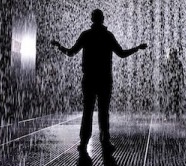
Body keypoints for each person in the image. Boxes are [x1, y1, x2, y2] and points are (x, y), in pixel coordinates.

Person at [51, 9, 147, 153]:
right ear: (103, 19)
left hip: (89, 78)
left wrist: (59, 46)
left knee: (87, 111)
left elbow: (71, 53)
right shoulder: (108, 36)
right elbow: (121, 54)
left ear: (92, 19)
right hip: (105, 79)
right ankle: (105, 141)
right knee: (104, 111)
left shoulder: (86, 35)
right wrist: (137, 48)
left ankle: (84, 142)